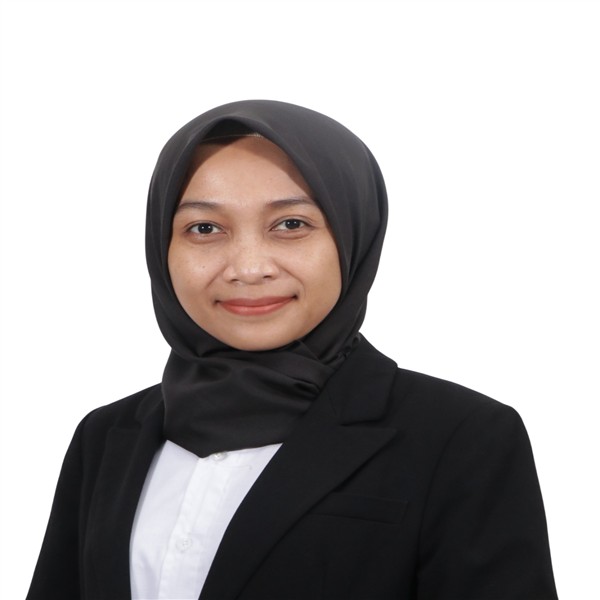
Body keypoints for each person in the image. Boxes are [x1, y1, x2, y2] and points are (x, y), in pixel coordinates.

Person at [27, 100, 558, 599]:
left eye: (291, 224)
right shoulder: (106, 435)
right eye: (204, 228)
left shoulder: (464, 438)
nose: (248, 267)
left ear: (352, 237)